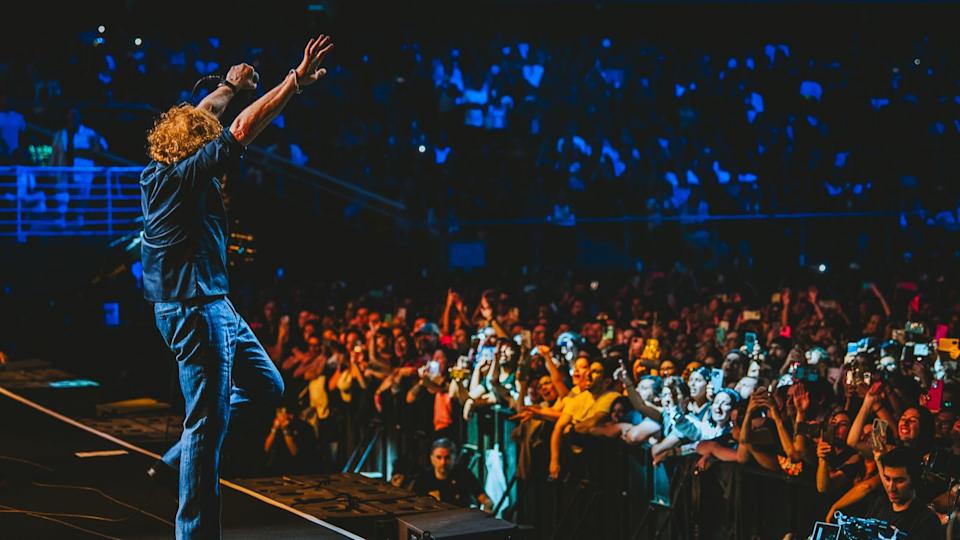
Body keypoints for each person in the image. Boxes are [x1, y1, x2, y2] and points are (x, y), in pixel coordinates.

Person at [140, 34, 334, 540]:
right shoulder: (186, 177)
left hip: (207, 304)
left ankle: (177, 459)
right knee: (207, 426)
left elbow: (207, 112)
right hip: (195, 310)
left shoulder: (156, 172)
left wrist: (230, 85)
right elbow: (243, 128)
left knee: (267, 386)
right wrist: (293, 82)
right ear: (196, 146)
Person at [841, 446, 943, 538]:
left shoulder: (926, 520)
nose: (891, 488)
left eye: (899, 481)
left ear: (915, 479)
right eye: (887, 479)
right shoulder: (879, 504)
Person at [411, 438, 493, 511]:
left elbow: (484, 498)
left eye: (447, 458)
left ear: (454, 457)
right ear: (432, 458)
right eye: (439, 457)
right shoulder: (423, 478)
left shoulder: (464, 474)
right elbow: (413, 503)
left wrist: (487, 506)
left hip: (461, 518)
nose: (443, 462)